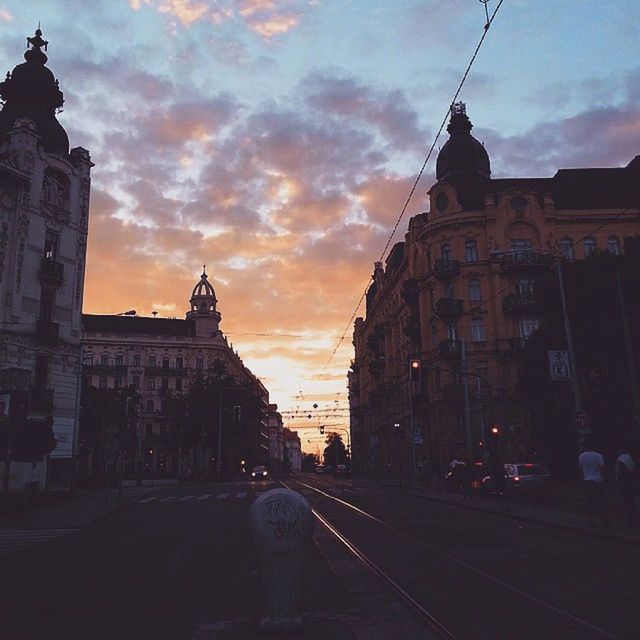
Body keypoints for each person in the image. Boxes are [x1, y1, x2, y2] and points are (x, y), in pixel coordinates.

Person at [578, 439, 607, 528]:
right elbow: (603, 468)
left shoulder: (582, 456)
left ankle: (591, 520)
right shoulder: (598, 456)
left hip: (587, 480)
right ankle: (602, 519)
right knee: (600, 500)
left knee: (589, 501)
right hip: (597, 480)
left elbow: (580, 468)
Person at [616, 447, 638, 527]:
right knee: (631, 502)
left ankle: (632, 521)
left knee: (628, 503)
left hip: (625, 484)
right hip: (631, 483)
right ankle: (634, 519)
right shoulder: (630, 457)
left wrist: (618, 482)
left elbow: (619, 472)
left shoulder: (621, 459)